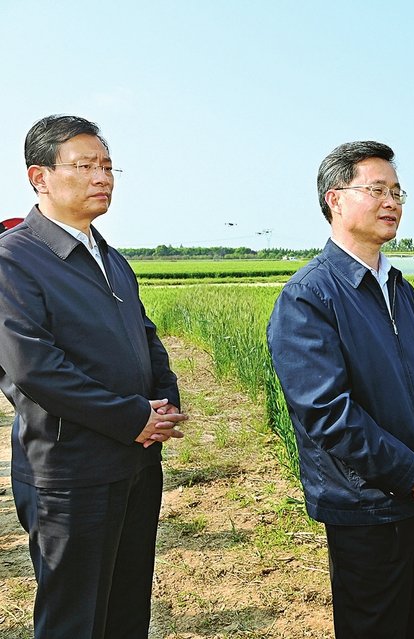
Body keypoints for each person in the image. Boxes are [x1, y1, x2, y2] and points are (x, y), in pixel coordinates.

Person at [267, 141, 414, 639]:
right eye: (376, 189)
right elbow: (326, 413)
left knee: (412, 622)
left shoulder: (398, 287)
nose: (391, 202)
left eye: (397, 192)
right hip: (365, 502)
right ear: (335, 199)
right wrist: (411, 473)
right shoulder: (309, 296)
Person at [0, 115, 188, 638]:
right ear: (39, 177)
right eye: (85, 166)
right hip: (70, 472)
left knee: (126, 610)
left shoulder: (109, 257)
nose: (102, 177)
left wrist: (163, 402)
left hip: (134, 461)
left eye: (107, 166)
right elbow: (36, 368)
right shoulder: (14, 261)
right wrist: (133, 416)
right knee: (75, 620)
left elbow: (145, 334)